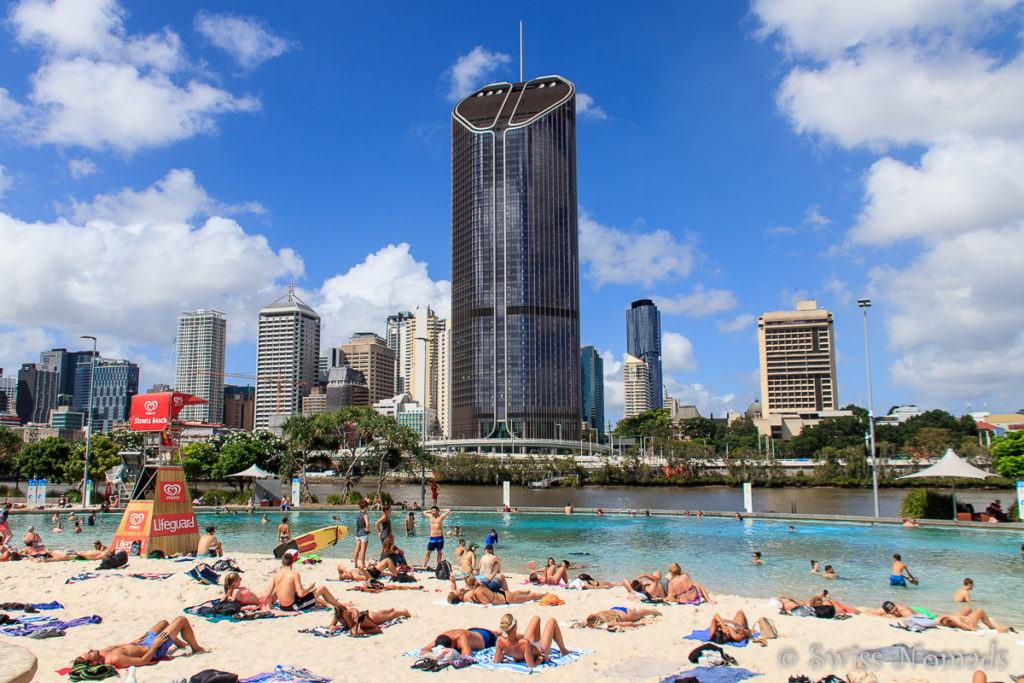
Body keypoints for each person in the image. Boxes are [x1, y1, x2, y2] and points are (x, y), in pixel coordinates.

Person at [73, 617, 204, 667]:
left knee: (164, 623)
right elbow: (142, 661)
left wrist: (135, 641)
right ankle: (196, 648)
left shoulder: (100, 652)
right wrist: (156, 645)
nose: (91, 651)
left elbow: (120, 646)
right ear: (94, 663)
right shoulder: (115, 659)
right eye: (89, 655)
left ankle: (180, 644)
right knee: (182, 620)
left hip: (142, 643)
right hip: (153, 650)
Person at [269, 549, 346, 611]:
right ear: (293, 562)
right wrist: (310, 587)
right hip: (293, 607)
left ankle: (330, 603)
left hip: (283, 607)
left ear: (283, 562)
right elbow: (301, 594)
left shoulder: (276, 575)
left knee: (308, 594)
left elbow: (268, 593)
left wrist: (270, 606)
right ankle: (340, 606)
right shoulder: (294, 574)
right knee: (322, 589)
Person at [494, 614, 572, 668]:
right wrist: (541, 657)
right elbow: (532, 665)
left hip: (526, 650)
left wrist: (505, 653)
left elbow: (496, 661)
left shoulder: (500, 641)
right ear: (515, 627)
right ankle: (563, 650)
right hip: (540, 649)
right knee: (552, 621)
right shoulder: (524, 643)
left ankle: (541, 639)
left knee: (536, 618)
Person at [448, 576, 542, 605]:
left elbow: (486, 603)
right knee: (515, 594)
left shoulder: (475, 592)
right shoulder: (479, 586)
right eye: (455, 592)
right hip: (501, 594)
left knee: (529, 597)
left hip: (505, 599)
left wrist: (476, 600)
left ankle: (543, 595)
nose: (457, 590)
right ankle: (527, 592)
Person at [330, 604, 411, 636]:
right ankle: (387, 610)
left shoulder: (353, 611)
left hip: (371, 617)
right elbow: (331, 625)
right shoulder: (338, 615)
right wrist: (332, 626)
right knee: (381, 614)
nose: (341, 621)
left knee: (388, 618)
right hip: (369, 615)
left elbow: (355, 627)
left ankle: (402, 612)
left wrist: (347, 618)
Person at [419, 627, 501, 656]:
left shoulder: (461, 638)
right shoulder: (441, 638)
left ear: (452, 643)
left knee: (497, 636)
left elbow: (467, 656)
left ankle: (497, 632)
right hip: (471, 631)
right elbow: (424, 650)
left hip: (486, 637)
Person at [937, 606, 1011, 632]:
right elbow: (968, 627)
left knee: (968, 608)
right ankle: (991, 627)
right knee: (980, 610)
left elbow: (935, 620)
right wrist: (973, 628)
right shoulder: (956, 621)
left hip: (959, 618)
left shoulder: (944, 617)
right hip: (968, 621)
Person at [585, 606, 662, 628]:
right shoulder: (600, 614)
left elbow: (630, 623)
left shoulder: (610, 622)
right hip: (615, 609)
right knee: (634, 612)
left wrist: (639, 624)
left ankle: (654, 612)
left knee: (639, 614)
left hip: (627, 614)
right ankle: (633, 610)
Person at [867, 601, 935, 619]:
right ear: (888, 612)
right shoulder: (884, 610)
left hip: (920, 612)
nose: (896, 613)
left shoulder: (904, 611)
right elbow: (869, 613)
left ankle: (934, 614)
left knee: (933, 618)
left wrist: (893, 618)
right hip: (911, 609)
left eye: (896, 610)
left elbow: (912, 618)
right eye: (893, 612)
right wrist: (883, 616)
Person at [354, 499, 370, 569]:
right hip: (363, 534)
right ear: (365, 507)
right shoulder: (365, 515)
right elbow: (367, 523)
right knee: (363, 550)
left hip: (358, 533)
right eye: (367, 507)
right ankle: (363, 565)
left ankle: (355, 563)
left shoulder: (358, 514)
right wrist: (367, 529)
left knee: (357, 550)